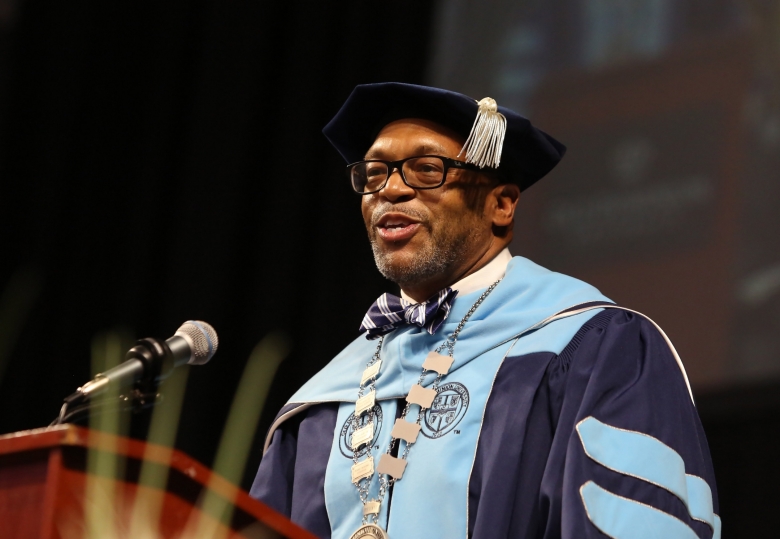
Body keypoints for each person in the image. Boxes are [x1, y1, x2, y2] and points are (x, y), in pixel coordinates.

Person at [250, 83, 720, 539]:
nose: (389, 190)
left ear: (501, 205)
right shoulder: (321, 403)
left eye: (426, 169)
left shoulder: (593, 348)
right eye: (374, 174)